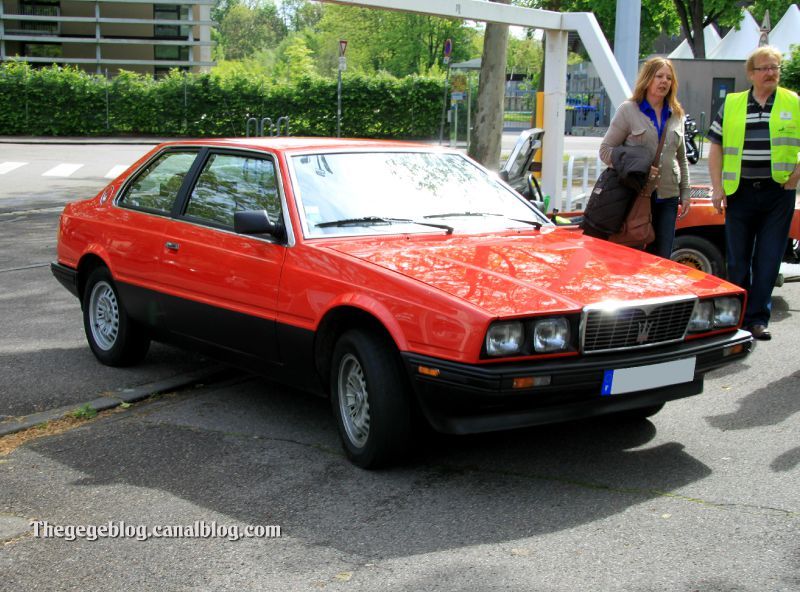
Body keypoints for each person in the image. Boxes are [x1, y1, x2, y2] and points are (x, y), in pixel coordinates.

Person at [707, 46, 800, 341]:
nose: (771, 72)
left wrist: (797, 173)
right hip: (740, 192)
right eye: (765, 68)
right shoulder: (733, 103)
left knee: (768, 259)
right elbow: (717, 147)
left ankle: (758, 318)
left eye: (775, 67)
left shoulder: (793, 101)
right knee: (737, 259)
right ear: (751, 73)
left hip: (778, 194)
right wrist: (718, 187)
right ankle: (735, 316)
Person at [599, 57, 691, 258]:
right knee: (633, 256)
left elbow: (681, 158)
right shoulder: (628, 110)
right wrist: (635, 167)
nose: (664, 81)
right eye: (659, 76)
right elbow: (605, 151)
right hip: (636, 194)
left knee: (662, 258)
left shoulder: (676, 114)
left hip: (668, 196)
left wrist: (685, 192)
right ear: (648, 79)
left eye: (668, 77)